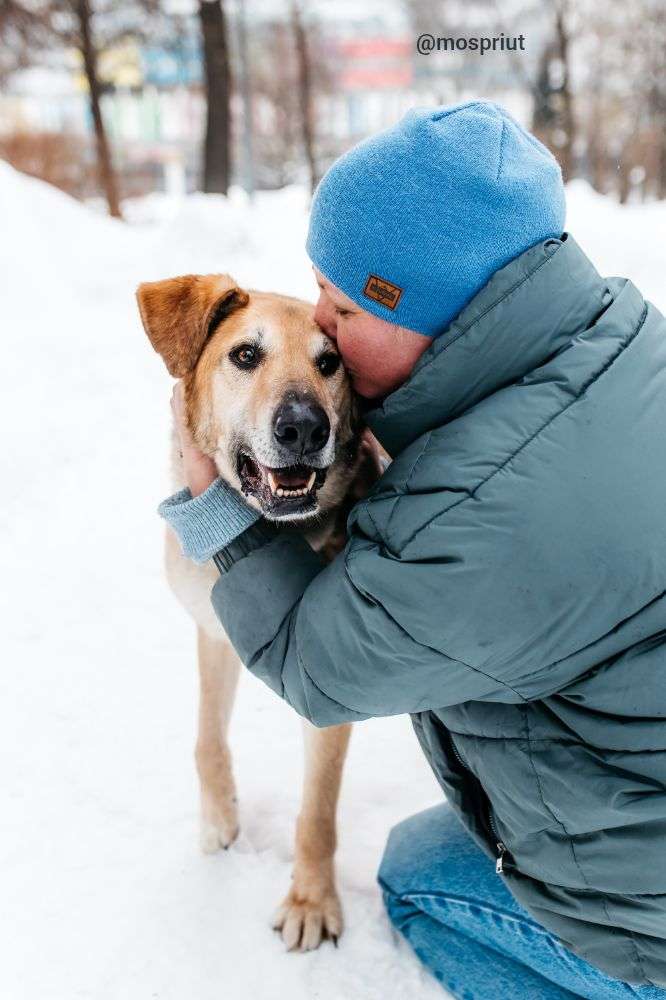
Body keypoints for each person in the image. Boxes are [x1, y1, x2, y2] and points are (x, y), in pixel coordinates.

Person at [157, 101, 666, 998]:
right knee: (442, 839)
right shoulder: (628, 342)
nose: (322, 330)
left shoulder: (483, 511)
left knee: (413, 882)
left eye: (342, 312)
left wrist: (210, 508)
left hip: (652, 918)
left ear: (435, 312)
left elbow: (315, 669)